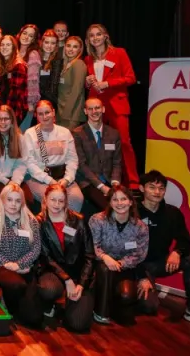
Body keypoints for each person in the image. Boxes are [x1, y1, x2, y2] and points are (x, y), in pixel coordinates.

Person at [136, 170, 190, 329]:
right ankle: (139, 288)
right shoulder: (132, 212)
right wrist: (141, 276)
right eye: (152, 187)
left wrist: (177, 252)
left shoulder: (172, 213)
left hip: (161, 263)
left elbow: (186, 241)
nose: (157, 192)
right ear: (142, 188)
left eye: (161, 188)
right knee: (149, 307)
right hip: (138, 266)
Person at [36, 183, 96, 333]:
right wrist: (66, 279)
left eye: (60, 201)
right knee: (49, 290)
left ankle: (69, 305)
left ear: (66, 202)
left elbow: (89, 256)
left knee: (79, 325)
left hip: (78, 273)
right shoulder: (39, 222)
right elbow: (46, 257)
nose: (56, 205)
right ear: (45, 199)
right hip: (53, 271)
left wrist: (81, 284)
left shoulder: (79, 220)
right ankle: (51, 303)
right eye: (53, 200)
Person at [0, 182, 44, 328]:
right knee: (16, 284)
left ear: (22, 203)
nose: (13, 204)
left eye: (18, 201)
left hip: (24, 267)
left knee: (35, 319)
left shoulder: (31, 221)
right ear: (3, 200)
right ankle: (10, 310)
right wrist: (8, 264)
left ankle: (15, 307)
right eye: (9, 200)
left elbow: (36, 248)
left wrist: (19, 264)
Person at [84, 24, 138, 187]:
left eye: (98, 34)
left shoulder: (119, 53)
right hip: (96, 105)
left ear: (105, 36)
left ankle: (133, 182)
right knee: (95, 143)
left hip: (116, 104)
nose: (95, 38)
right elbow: (92, 84)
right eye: (92, 35)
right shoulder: (88, 59)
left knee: (124, 142)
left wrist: (108, 83)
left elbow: (130, 78)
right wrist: (88, 83)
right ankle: (101, 179)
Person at [89, 186, 149, 324]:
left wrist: (121, 263)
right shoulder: (97, 220)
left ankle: (112, 303)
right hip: (100, 266)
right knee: (105, 268)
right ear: (109, 202)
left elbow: (140, 253)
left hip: (125, 269)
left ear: (130, 202)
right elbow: (92, 245)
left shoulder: (140, 227)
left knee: (127, 297)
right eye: (115, 199)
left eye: (123, 199)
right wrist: (105, 257)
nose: (119, 203)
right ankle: (101, 312)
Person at [22, 100, 84, 213]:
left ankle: (68, 229)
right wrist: (49, 181)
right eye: (40, 114)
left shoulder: (65, 132)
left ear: (53, 112)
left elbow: (72, 159)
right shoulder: (30, 134)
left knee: (76, 198)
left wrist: (67, 179)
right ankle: (55, 229)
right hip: (40, 179)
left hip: (63, 178)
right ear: (36, 115)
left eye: (47, 112)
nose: (44, 116)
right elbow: (29, 163)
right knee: (55, 199)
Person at [73, 99, 123, 214]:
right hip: (89, 182)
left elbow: (117, 162)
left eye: (97, 108)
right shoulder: (77, 133)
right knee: (111, 208)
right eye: (90, 109)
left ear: (103, 109)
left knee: (126, 203)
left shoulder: (113, 134)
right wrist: (101, 186)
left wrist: (115, 183)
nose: (94, 111)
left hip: (110, 181)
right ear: (85, 111)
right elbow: (81, 165)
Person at [0, 105, 33, 205]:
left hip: (13, 179)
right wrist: (6, 182)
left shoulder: (19, 138)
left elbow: (21, 164)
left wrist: (15, 182)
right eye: (0, 119)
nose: (3, 122)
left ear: (12, 120)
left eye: (6, 119)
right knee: (8, 199)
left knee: (28, 200)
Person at [0, 35, 29, 126]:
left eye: (8, 45)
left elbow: (16, 94)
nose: (4, 47)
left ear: (14, 48)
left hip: (14, 111)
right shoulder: (4, 65)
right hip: (6, 109)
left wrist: (7, 113)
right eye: (2, 45)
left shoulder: (18, 65)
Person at [56, 36, 87, 129]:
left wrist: (66, 113)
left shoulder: (79, 64)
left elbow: (76, 91)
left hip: (71, 113)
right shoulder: (65, 65)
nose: (71, 49)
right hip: (61, 110)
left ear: (80, 50)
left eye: (75, 47)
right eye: (68, 46)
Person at [16, 24, 42, 131]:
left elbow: (33, 81)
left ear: (34, 40)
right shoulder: (15, 51)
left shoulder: (33, 54)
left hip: (25, 101)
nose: (26, 37)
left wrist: (31, 103)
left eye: (31, 36)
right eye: (25, 33)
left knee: (22, 134)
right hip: (14, 98)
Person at [38, 30, 64, 112]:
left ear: (56, 45)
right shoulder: (35, 58)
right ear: (42, 43)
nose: (49, 46)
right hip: (35, 100)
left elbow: (53, 87)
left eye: (53, 43)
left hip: (49, 101)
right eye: (47, 42)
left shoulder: (57, 61)